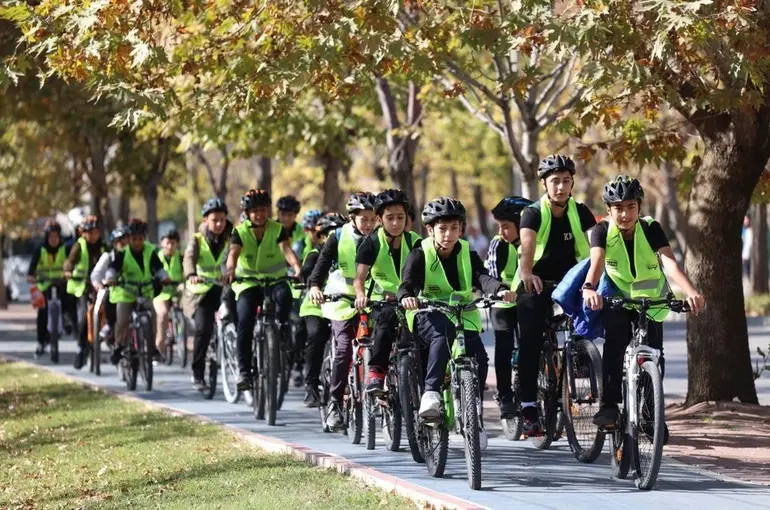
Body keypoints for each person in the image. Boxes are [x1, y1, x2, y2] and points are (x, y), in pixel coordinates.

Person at [582, 176, 705, 431]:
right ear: (608, 210)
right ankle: (609, 406)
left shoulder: (650, 228)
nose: (625, 214)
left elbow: (669, 263)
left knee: (655, 355)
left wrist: (691, 292)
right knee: (615, 345)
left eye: (631, 207)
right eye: (618, 208)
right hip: (619, 299)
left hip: (652, 301)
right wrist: (589, 288)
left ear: (639, 207)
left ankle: (651, 415)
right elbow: (597, 262)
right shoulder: (601, 231)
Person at [398, 197, 516, 450]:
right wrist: (407, 296)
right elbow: (407, 284)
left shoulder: (466, 253)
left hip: (461, 313)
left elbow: (481, 277)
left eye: (454, 228)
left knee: (480, 358)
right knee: (442, 336)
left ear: (461, 229)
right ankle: (431, 393)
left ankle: (474, 416)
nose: (449, 234)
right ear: (430, 230)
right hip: (428, 313)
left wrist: (499, 289)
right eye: (442, 228)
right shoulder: (419, 254)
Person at [516, 154, 597, 436]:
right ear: (544, 184)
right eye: (555, 181)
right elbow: (527, 245)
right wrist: (527, 273)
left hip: (570, 281)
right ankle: (528, 408)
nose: (561, 187)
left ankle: (582, 366)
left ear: (572, 183)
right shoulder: (532, 213)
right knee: (530, 339)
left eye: (566, 181)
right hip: (537, 280)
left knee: (587, 323)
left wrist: (595, 279)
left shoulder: (581, 211)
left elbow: (596, 245)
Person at [307, 192, 378, 429]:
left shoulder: (382, 237)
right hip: (341, 300)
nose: (368, 224)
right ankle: (335, 403)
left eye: (373, 219)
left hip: (372, 299)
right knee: (344, 347)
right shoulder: (338, 236)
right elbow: (321, 265)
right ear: (351, 218)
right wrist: (315, 286)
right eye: (364, 219)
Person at [223, 189, 302, 391]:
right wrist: (230, 270)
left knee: (285, 296)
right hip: (248, 283)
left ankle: (281, 333)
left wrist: (297, 268)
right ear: (247, 213)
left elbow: (287, 250)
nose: (259, 214)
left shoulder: (277, 229)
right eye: (255, 211)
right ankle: (244, 373)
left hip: (275, 280)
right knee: (245, 323)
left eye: (263, 210)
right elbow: (233, 254)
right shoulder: (239, 232)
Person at [352, 189, 421, 394]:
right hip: (382, 301)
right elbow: (359, 278)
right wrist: (360, 295)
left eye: (400, 217)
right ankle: (377, 371)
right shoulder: (371, 242)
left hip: (411, 301)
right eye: (390, 218)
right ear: (379, 219)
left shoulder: (416, 241)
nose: (396, 223)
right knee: (385, 321)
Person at [486, 196, 533, 417]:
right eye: (499, 226)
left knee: (530, 343)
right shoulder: (498, 244)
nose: (501, 231)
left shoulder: (534, 241)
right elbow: (493, 274)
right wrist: (501, 290)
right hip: (503, 302)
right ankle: (505, 394)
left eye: (506, 226)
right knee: (503, 345)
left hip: (527, 301)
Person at [183, 198, 233, 391]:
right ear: (205, 220)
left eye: (222, 220)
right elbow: (188, 258)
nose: (219, 224)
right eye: (214, 220)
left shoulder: (231, 237)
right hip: (201, 293)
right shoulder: (197, 239)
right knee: (203, 330)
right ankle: (198, 374)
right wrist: (191, 275)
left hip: (223, 290)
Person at [104, 219, 168, 365]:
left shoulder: (150, 252)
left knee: (153, 317)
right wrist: (110, 278)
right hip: (126, 294)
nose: (137, 242)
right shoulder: (122, 253)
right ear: (129, 239)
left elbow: (158, 267)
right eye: (134, 239)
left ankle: (152, 347)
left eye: (140, 239)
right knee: (122, 320)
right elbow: (113, 268)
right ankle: (118, 346)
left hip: (145, 292)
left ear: (144, 238)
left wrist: (164, 276)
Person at [300, 212, 346, 407]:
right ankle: (311, 386)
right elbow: (308, 273)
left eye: (338, 232)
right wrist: (312, 285)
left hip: (343, 306)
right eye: (328, 234)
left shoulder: (350, 253)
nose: (333, 237)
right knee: (317, 334)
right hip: (316, 307)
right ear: (320, 237)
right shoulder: (314, 254)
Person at [64, 215, 108, 369]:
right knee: (83, 317)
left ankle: (105, 336)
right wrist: (68, 270)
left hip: (100, 286)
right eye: (89, 233)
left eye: (95, 232)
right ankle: (80, 348)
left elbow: (113, 261)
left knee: (108, 310)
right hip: (83, 287)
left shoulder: (104, 246)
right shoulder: (79, 245)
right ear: (83, 233)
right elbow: (70, 261)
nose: (93, 236)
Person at [27, 219, 72, 359]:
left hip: (60, 283)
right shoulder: (40, 249)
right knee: (42, 312)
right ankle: (41, 342)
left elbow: (71, 264)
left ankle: (67, 320)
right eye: (51, 236)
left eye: (56, 236)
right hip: (44, 285)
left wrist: (70, 272)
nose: (54, 239)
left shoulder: (65, 248)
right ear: (46, 237)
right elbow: (31, 269)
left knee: (69, 298)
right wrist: (31, 276)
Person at [91, 226, 128, 343]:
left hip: (132, 288)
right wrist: (98, 283)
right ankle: (109, 323)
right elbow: (97, 273)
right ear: (114, 243)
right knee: (106, 295)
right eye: (121, 242)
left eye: (126, 241)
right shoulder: (109, 256)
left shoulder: (135, 255)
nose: (124, 244)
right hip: (113, 289)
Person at [153, 230, 183, 362]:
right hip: (160, 293)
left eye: (173, 243)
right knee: (163, 314)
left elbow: (187, 273)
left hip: (176, 292)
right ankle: (159, 347)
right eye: (167, 243)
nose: (170, 246)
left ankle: (181, 335)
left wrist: (183, 284)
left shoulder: (180, 258)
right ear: (162, 243)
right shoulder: (156, 257)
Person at [742, 215, 753, 279]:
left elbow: (748, 245)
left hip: (748, 256)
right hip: (745, 255)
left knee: (747, 273)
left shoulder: (750, 231)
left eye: (746, 219)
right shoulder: (744, 230)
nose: (745, 221)